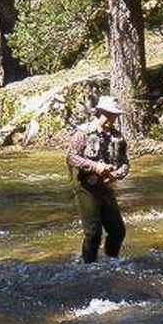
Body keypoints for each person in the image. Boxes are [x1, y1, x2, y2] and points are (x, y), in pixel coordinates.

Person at [66, 95, 130, 263]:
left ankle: (112, 262)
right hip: (85, 186)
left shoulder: (118, 137)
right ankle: (89, 267)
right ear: (99, 112)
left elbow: (124, 163)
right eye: (108, 114)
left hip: (106, 187)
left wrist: (117, 174)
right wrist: (95, 167)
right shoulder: (83, 133)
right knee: (93, 233)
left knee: (118, 231)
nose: (112, 118)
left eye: (115, 115)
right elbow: (71, 157)